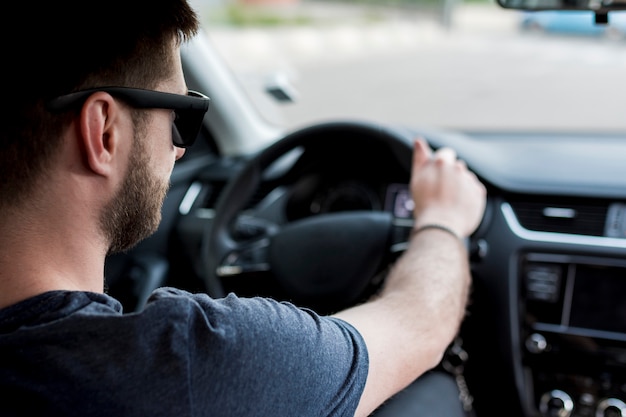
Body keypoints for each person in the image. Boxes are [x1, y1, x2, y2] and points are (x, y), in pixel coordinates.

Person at [0, 1, 486, 416]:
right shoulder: (182, 359)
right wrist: (443, 219)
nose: (182, 149)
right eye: (182, 119)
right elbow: (421, 323)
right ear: (104, 131)